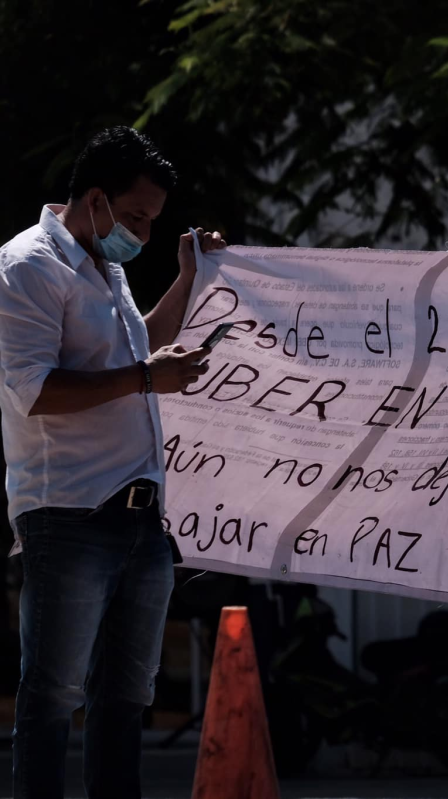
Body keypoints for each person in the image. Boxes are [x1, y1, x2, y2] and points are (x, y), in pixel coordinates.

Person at [0, 126, 226, 798]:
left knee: (127, 697)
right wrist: (147, 379)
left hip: (140, 520)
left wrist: (188, 277)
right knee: (52, 695)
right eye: (134, 216)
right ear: (95, 198)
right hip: (68, 516)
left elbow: (141, 347)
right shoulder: (28, 267)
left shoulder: (107, 267)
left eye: (154, 222)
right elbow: (35, 390)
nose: (143, 234)